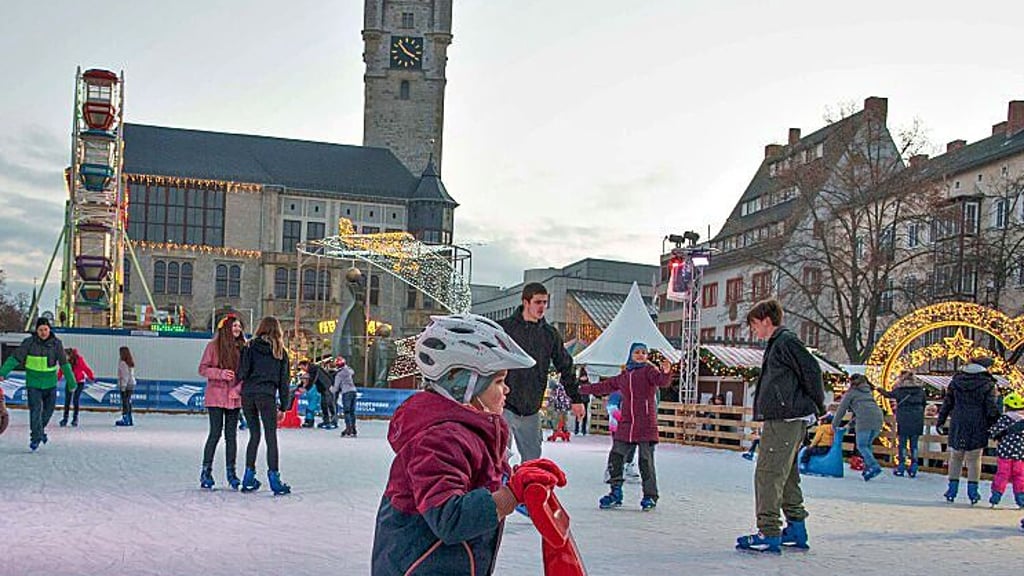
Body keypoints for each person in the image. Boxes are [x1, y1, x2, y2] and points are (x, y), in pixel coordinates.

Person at [371, 313, 568, 576]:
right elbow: (449, 518)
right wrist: (511, 494)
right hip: (419, 567)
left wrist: (518, 480)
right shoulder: (439, 439)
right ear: (464, 385)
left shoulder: (471, 431)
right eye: (498, 381)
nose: (507, 390)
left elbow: (480, 479)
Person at [736, 299, 825, 554]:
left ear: (766, 320)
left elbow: (812, 372)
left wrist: (812, 406)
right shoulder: (780, 343)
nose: (754, 331)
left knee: (768, 473)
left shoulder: (786, 342)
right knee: (786, 475)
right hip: (786, 418)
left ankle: (769, 531)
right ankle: (796, 528)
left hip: (786, 418)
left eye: (754, 325)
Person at [579, 342, 673, 511]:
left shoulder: (649, 372)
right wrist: (581, 389)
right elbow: (604, 386)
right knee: (616, 457)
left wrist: (666, 372)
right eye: (637, 352)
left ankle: (650, 496)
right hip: (627, 424)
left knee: (646, 461)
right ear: (630, 354)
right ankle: (615, 492)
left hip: (645, 423)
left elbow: (662, 381)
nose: (640, 355)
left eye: (644, 352)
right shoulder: (624, 375)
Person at [499, 282, 585, 463]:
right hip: (505, 404)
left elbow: (565, 365)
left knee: (532, 460)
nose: (542, 307)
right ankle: (497, 489)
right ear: (525, 302)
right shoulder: (505, 328)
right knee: (499, 458)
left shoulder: (549, 334)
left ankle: (526, 490)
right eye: (538, 302)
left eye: (545, 303)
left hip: (531, 407)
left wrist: (576, 399)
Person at [0, 318, 78, 449]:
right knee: (35, 410)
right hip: (33, 384)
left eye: (46, 330)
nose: (43, 332)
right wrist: (3, 372)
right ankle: (36, 438)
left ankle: (39, 432)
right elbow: (15, 358)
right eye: (40, 330)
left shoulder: (56, 344)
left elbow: (64, 364)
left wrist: (71, 381)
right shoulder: (29, 343)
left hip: (50, 384)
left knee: (48, 411)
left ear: (49, 330)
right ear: (36, 331)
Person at [237, 316, 293, 495]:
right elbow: (284, 383)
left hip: (248, 395)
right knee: (271, 437)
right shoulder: (280, 352)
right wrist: (284, 407)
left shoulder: (249, 347)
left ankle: (248, 475)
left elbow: (242, 372)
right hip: (266, 396)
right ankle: (274, 479)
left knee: (254, 435)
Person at [936, 356, 1001, 505]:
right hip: (977, 423)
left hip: (958, 421)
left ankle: (952, 490)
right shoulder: (987, 383)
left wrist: (941, 420)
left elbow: (947, 403)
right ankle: (973, 492)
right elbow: (990, 408)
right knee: (974, 459)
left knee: (956, 456)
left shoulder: (956, 380)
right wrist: (997, 426)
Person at [198, 314, 245, 490]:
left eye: (239, 327)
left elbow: (246, 372)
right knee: (215, 433)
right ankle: (206, 471)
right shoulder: (213, 347)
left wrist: (237, 389)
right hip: (216, 396)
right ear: (226, 329)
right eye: (234, 326)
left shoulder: (243, 348)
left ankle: (231, 472)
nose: (237, 330)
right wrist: (220, 373)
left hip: (234, 398)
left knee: (231, 435)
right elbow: (202, 369)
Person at [833, 374, 885, 481]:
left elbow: (841, 410)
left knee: (862, 446)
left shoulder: (851, 393)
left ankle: (874, 466)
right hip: (878, 418)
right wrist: (849, 424)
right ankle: (868, 470)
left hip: (865, 420)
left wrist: (834, 425)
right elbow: (863, 410)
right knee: (867, 445)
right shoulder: (868, 392)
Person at [877, 370, 927, 477]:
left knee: (903, 444)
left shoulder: (900, 390)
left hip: (904, 418)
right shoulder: (920, 391)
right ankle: (914, 466)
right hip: (917, 419)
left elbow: (888, 395)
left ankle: (901, 465)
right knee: (914, 445)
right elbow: (924, 403)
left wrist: (879, 390)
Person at [987, 392, 1024, 508]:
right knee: (1020, 476)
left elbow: (994, 431)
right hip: (1020, 454)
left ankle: (996, 497)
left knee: (1002, 475)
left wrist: (993, 434)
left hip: (1005, 454)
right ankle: (1021, 499)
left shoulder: (1004, 419)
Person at [58, 348, 95, 427]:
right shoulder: (64, 361)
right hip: (70, 382)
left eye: (66, 356)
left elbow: (85, 368)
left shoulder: (79, 360)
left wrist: (91, 376)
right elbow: (61, 370)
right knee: (67, 401)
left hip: (79, 382)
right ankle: (65, 418)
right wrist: (56, 379)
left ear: (70, 355)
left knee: (75, 399)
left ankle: (75, 418)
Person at [332, 356, 358, 437]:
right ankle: (353, 429)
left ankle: (348, 429)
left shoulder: (339, 375)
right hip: (353, 391)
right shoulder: (349, 371)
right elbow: (352, 371)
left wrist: (330, 389)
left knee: (347, 412)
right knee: (352, 412)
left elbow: (336, 388)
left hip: (346, 392)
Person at [115, 347, 137, 427]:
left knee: (125, 402)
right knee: (128, 402)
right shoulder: (130, 362)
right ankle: (129, 418)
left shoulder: (123, 363)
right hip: (131, 384)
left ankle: (125, 418)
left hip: (126, 385)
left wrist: (123, 387)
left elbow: (125, 376)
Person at [573, 367, 590, 436]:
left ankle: (583, 429)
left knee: (584, 415)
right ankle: (577, 429)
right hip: (579, 400)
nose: (584, 378)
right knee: (578, 415)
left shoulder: (588, 383)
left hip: (585, 400)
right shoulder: (578, 383)